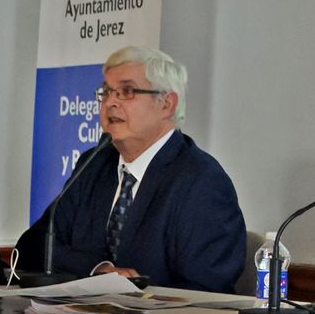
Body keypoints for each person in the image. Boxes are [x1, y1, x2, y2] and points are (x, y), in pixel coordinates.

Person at [15, 46, 246, 293]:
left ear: (167, 104)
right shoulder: (94, 164)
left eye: (126, 91)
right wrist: (98, 271)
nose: (110, 103)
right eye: (106, 92)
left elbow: (207, 286)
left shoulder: (202, 180)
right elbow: (32, 246)